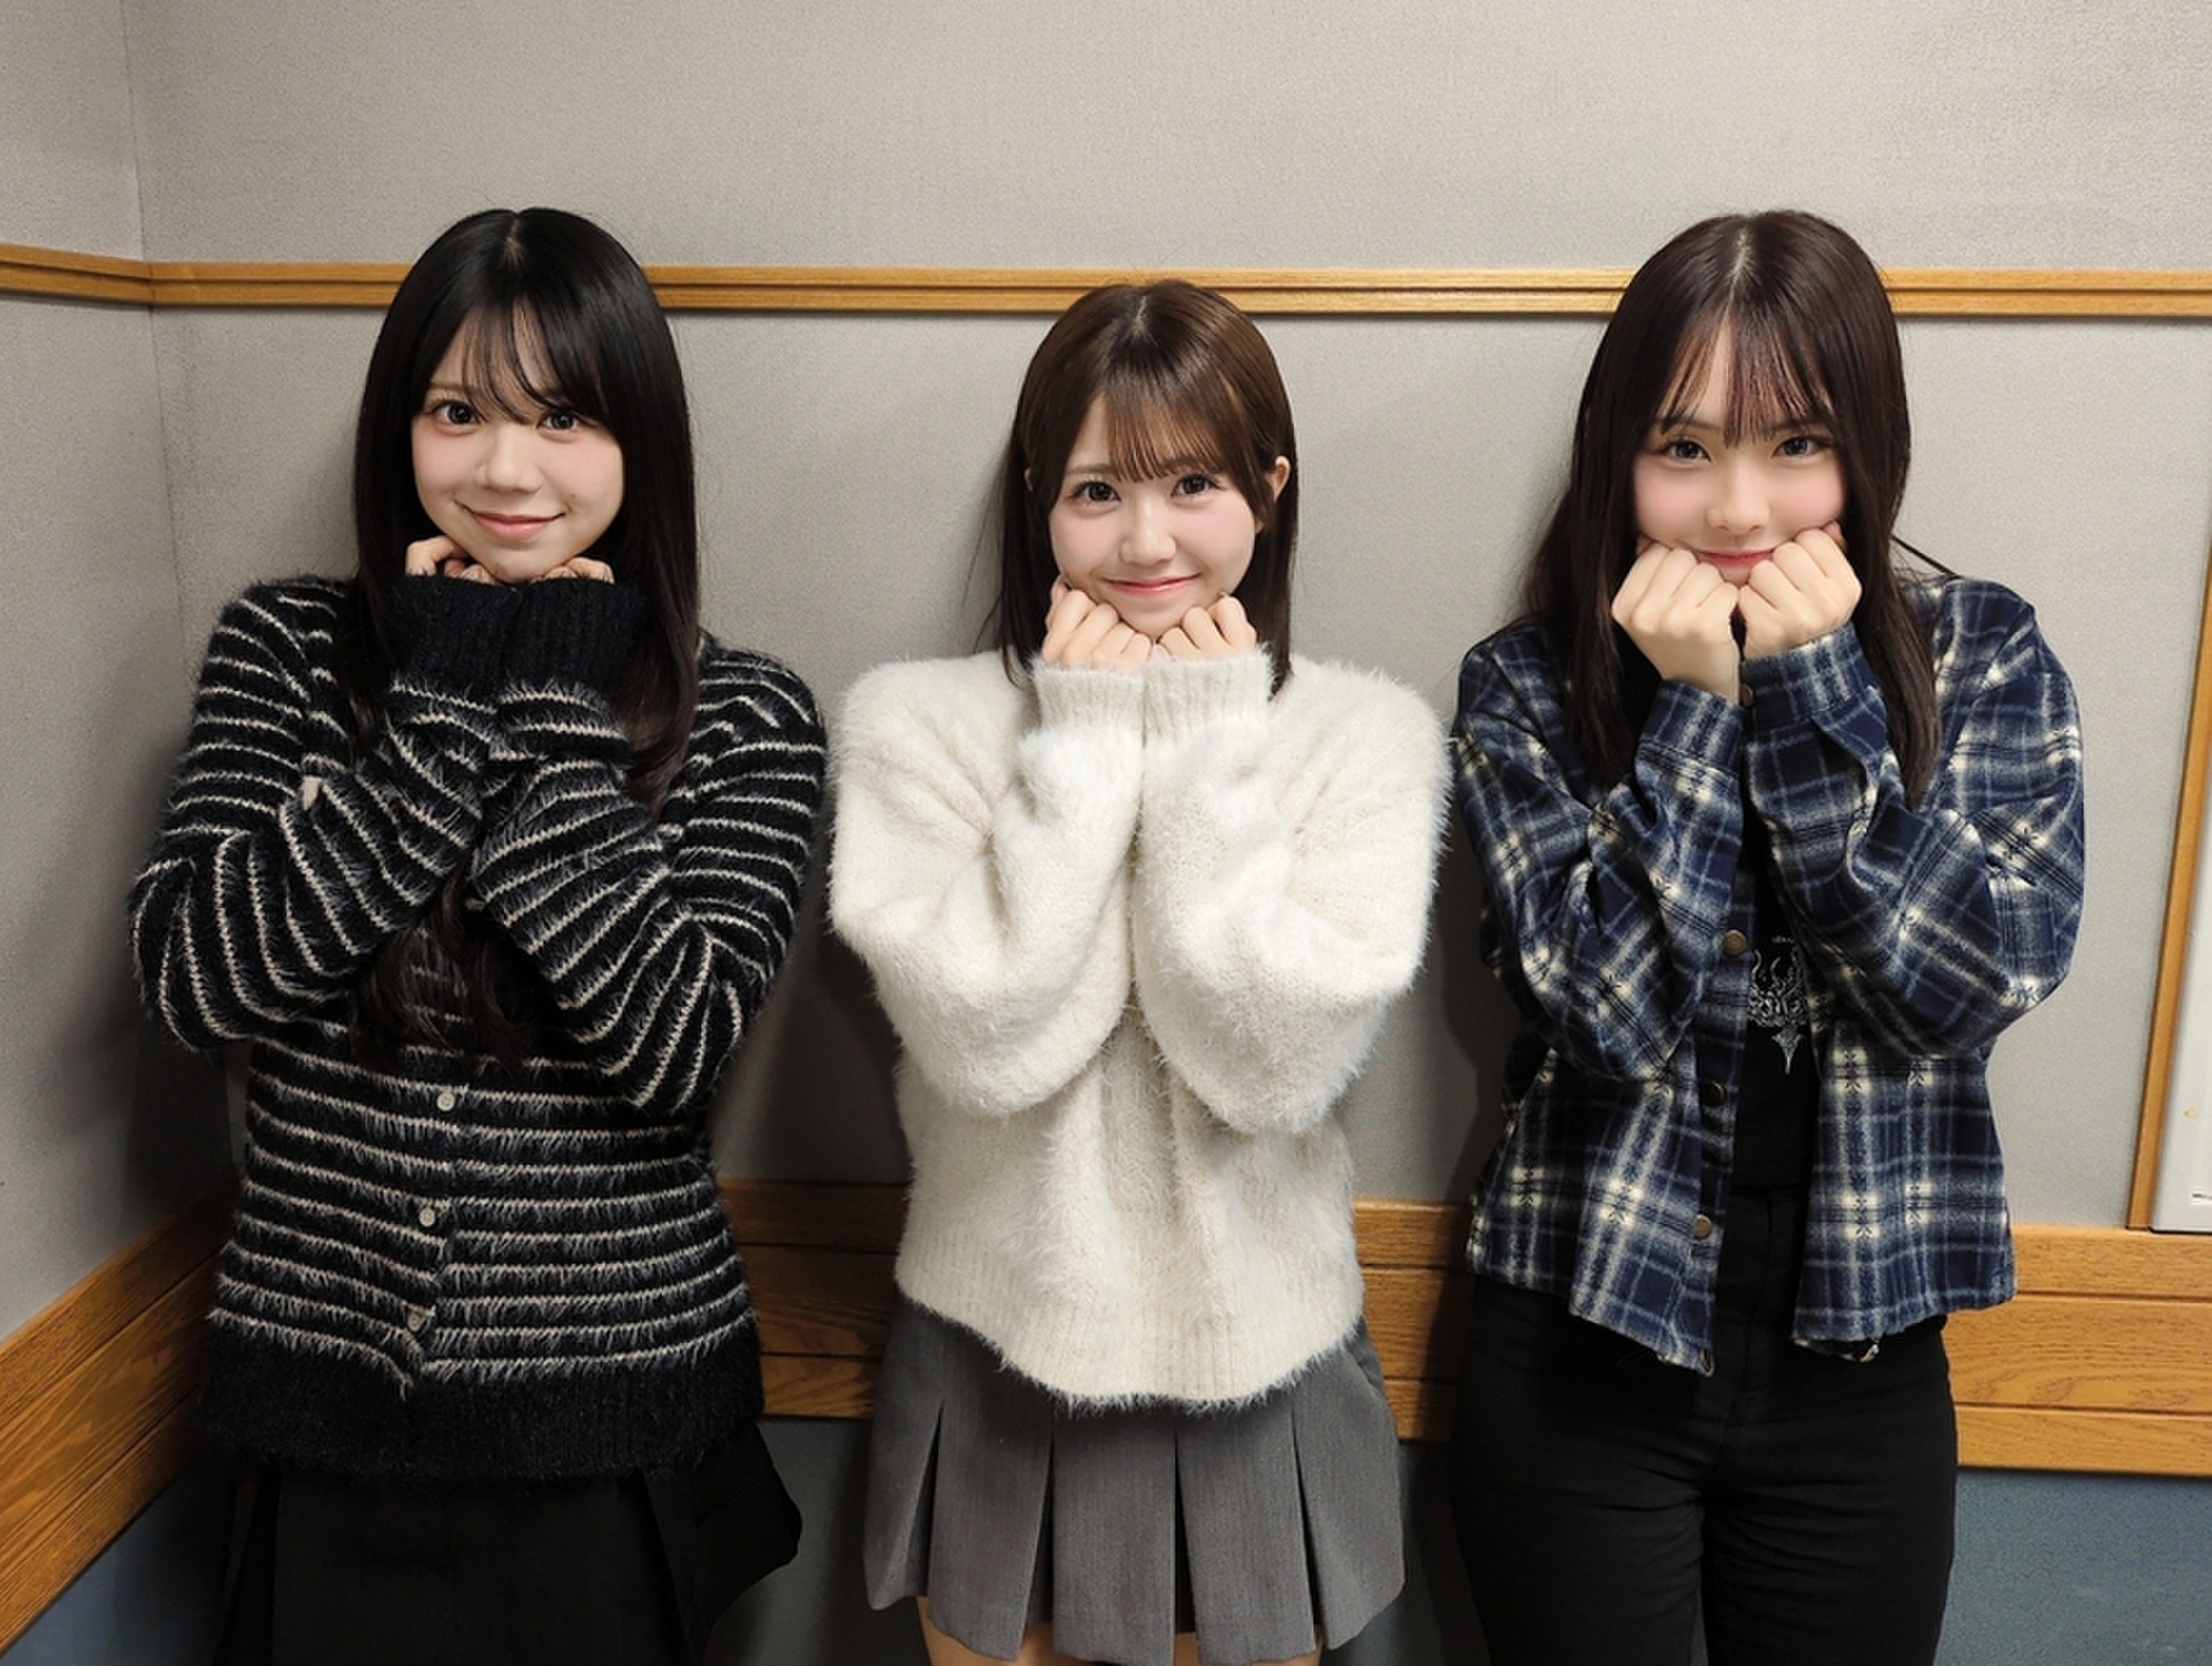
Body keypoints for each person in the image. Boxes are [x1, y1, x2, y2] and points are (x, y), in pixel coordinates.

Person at [128, 207, 826, 1665]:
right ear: (402, 431)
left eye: (563, 416)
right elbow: (193, 981)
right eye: (458, 412)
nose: (507, 468)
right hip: (318, 1418)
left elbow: (673, 1047)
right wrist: (437, 706)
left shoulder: (749, 715)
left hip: (612, 1434)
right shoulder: (282, 652)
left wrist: (557, 710)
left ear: (639, 441)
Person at [1447, 210, 2085, 1665]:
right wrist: (1694, 710)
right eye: (1683, 447)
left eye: (1798, 444)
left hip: (1860, 1360)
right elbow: (1602, 1013)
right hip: (1581, 1343)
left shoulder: (1983, 658)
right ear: (1620, 459)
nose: (1739, 509)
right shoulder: (1530, 686)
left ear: (1867, 452)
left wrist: (1809, 693)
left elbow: (1969, 984)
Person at [830, 279, 1444, 1666]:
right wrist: (1088, 743)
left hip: (1259, 1361)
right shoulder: (915, 725)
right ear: (1039, 497)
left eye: (1194, 483)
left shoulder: (1364, 739)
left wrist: (1212, 742)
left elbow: (1266, 1068)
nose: (1146, 540)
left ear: (1270, 488)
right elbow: (988, 1043)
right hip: (992, 1345)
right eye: (1099, 490)